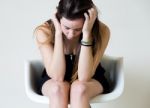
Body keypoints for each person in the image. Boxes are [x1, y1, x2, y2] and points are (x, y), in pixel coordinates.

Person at [34, 0, 110, 108]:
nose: (70, 35)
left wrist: (87, 34)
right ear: (58, 18)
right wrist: (58, 33)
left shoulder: (102, 31)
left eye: (78, 29)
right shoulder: (44, 31)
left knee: (79, 89)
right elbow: (57, 76)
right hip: (53, 79)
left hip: (90, 78)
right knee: (57, 89)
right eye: (67, 28)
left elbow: (84, 77)